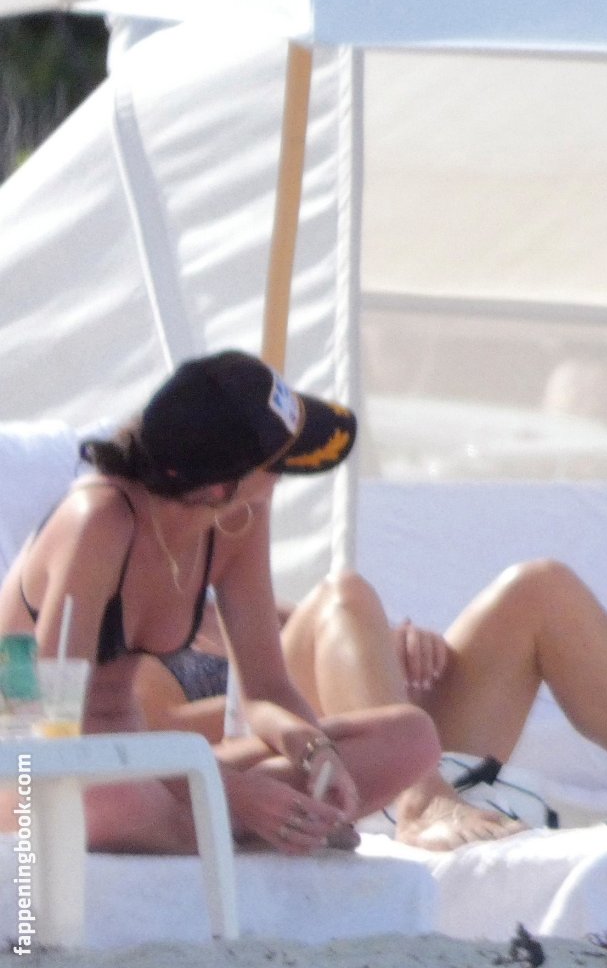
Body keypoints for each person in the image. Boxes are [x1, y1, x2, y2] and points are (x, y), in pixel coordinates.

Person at [0, 350, 438, 855]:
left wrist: (313, 749)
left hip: (152, 767)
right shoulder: (97, 520)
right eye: (278, 465)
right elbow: (46, 722)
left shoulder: (238, 517)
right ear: (218, 487)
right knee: (117, 801)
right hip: (37, 763)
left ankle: (223, 824)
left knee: (412, 738)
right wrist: (234, 792)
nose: (283, 480)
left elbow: (266, 690)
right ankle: (226, 825)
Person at [134, 562, 607, 849]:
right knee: (343, 592)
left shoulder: (234, 602)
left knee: (539, 587)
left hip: (380, 738)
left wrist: (398, 647)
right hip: (278, 766)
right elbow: (162, 745)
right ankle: (421, 801)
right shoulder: (133, 637)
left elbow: (339, 638)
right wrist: (315, 667)